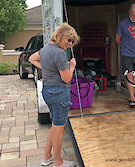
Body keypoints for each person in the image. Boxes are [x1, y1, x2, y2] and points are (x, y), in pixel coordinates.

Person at [29, 23, 79, 167]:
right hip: (59, 93)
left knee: (55, 125)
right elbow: (67, 78)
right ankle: (58, 162)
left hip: (47, 91)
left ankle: (46, 157)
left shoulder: (45, 49)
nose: (69, 44)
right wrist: (72, 66)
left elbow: (32, 58)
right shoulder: (58, 53)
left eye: (72, 42)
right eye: (68, 40)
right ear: (59, 36)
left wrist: (46, 68)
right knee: (58, 128)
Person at [115, 3, 135, 108]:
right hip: (126, 53)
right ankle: (132, 97)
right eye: (132, 15)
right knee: (129, 75)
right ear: (129, 13)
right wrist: (124, 47)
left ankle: (134, 96)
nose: (134, 17)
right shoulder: (123, 23)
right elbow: (117, 39)